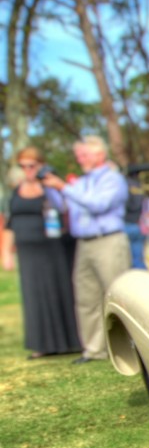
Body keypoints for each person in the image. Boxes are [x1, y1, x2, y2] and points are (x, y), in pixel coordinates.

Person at [40, 135, 131, 364]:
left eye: (84, 154)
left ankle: (130, 346)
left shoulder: (113, 179)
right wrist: (50, 186)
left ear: (100, 154)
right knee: (86, 298)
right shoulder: (80, 183)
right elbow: (63, 204)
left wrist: (63, 186)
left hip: (108, 241)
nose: (80, 159)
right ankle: (93, 349)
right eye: (78, 155)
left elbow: (98, 205)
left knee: (116, 294)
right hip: (84, 243)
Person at [2, 147, 81, 359]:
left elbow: (64, 208)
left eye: (31, 165)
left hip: (52, 248)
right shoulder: (16, 191)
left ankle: (70, 341)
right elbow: (11, 222)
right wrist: (6, 252)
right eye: (22, 166)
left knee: (59, 291)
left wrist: (49, 184)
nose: (27, 170)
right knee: (33, 296)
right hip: (28, 252)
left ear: (39, 165)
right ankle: (42, 344)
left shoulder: (50, 187)